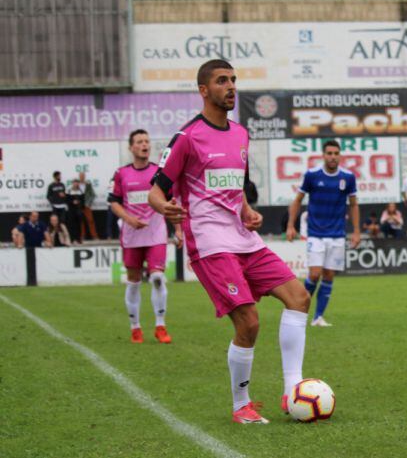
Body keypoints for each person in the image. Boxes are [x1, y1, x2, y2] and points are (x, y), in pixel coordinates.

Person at [149, 59, 311, 424]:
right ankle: (242, 405)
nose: (231, 86)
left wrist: (247, 211)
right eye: (222, 81)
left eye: (234, 80)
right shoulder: (186, 138)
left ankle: (293, 390)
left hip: (242, 238)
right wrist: (167, 209)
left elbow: (233, 190)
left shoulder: (240, 133)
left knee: (299, 298)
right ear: (204, 90)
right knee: (249, 322)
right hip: (209, 242)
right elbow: (156, 193)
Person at [110, 129, 181, 345]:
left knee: (158, 278)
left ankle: (160, 326)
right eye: (140, 142)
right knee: (133, 282)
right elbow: (114, 202)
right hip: (132, 236)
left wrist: (178, 230)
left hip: (156, 234)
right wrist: (129, 219)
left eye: (147, 141)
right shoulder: (121, 173)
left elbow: (172, 203)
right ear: (131, 147)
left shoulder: (159, 172)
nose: (145, 145)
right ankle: (135, 328)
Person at [286, 139, 361, 328]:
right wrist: (290, 225)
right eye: (329, 153)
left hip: (337, 235)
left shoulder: (348, 177)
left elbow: (353, 205)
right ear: (323, 155)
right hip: (316, 234)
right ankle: (298, 310)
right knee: (314, 274)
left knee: (328, 275)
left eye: (336, 153)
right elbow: (297, 201)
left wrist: (357, 231)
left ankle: (318, 317)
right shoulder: (312, 175)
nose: (333, 157)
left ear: (340, 155)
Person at [78, 172, 99, 240]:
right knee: (81, 221)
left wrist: (89, 203)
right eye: (81, 176)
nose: (82, 177)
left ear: (85, 177)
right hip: (79, 206)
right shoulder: (76, 185)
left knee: (90, 220)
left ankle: (94, 236)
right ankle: (82, 236)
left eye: (83, 176)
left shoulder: (88, 184)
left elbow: (93, 195)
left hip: (87, 205)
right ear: (79, 177)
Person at [66, 178, 85, 244]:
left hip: (78, 210)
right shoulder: (69, 191)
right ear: (72, 183)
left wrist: (79, 203)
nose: (76, 184)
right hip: (71, 210)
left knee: (78, 225)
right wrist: (72, 202)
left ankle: (78, 239)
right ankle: (72, 239)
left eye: (77, 183)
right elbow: (67, 200)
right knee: (72, 225)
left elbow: (83, 201)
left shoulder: (81, 191)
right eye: (74, 182)